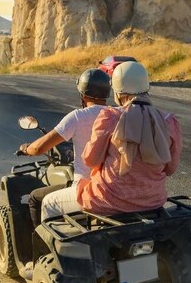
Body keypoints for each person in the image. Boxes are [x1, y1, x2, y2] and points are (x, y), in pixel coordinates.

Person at [41, 61, 182, 220]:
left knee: (48, 203)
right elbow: (170, 169)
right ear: (146, 87)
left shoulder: (110, 117)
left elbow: (91, 160)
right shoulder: (169, 122)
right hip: (153, 201)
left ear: (117, 92)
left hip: (107, 200)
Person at [19, 68, 111, 229]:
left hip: (87, 188)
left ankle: (42, 251)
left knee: (35, 198)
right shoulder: (117, 114)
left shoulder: (78, 117)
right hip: (114, 186)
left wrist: (26, 149)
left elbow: (39, 148)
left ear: (83, 94)